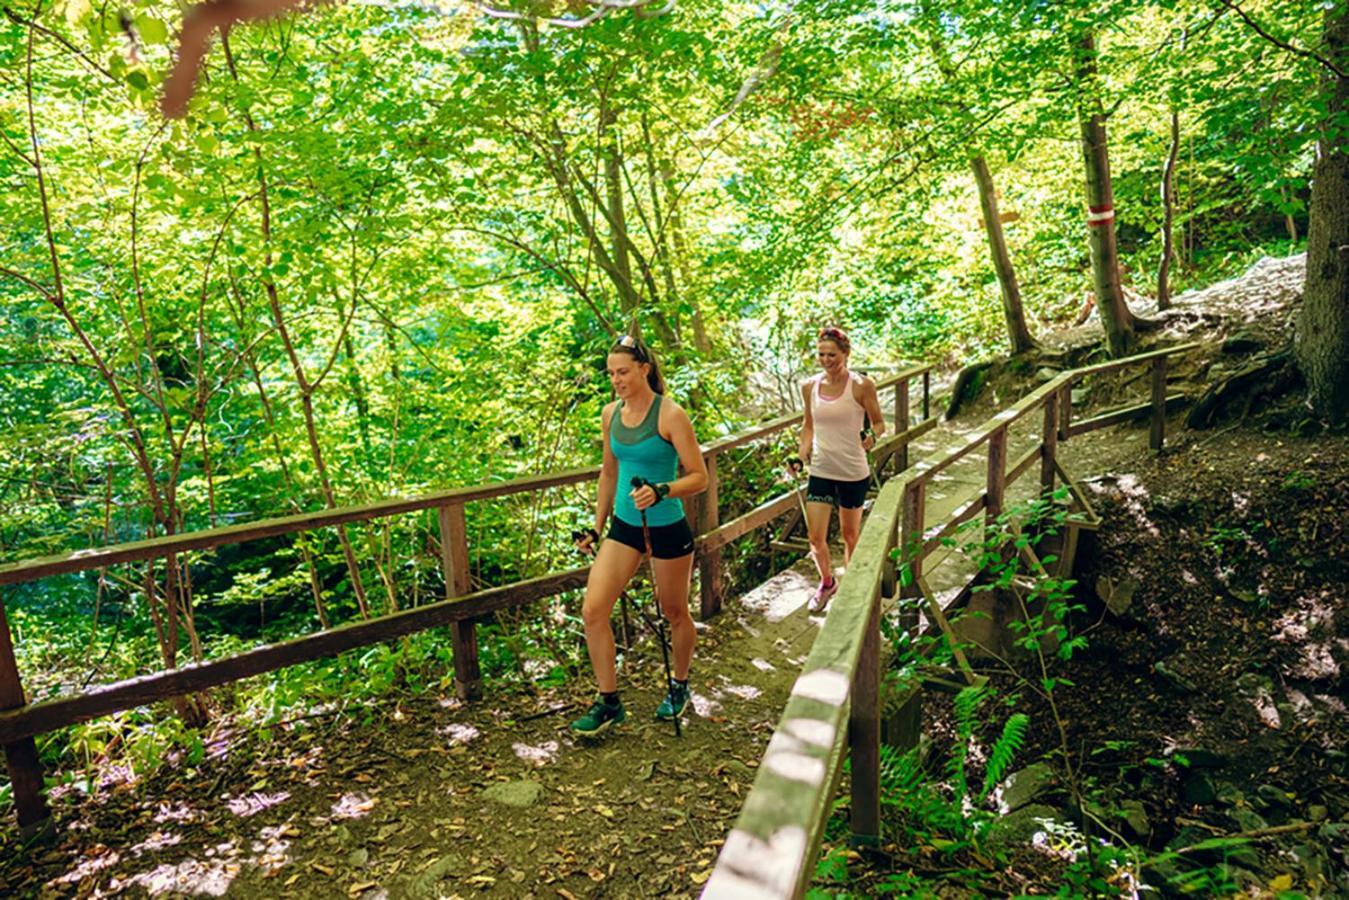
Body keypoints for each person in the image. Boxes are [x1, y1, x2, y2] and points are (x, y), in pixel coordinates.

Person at [571, 334, 708, 737]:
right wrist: (595, 528)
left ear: (644, 370)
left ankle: (679, 684)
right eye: (611, 373)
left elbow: (699, 476)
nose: (616, 379)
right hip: (625, 526)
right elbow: (609, 473)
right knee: (593, 611)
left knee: (675, 612)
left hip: (666, 524)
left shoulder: (671, 415)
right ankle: (608, 701)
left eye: (624, 371)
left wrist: (662, 490)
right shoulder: (610, 412)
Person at [797, 326, 886, 612]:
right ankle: (827, 582)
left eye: (832, 354)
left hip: (852, 472)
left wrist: (873, 437)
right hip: (821, 471)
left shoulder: (861, 385)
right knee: (815, 537)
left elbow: (879, 423)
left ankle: (851, 592)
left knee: (850, 535)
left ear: (845, 354)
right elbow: (808, 426)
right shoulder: (809, 386)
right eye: (821, 354)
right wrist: (800, 456)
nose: (826, 360)